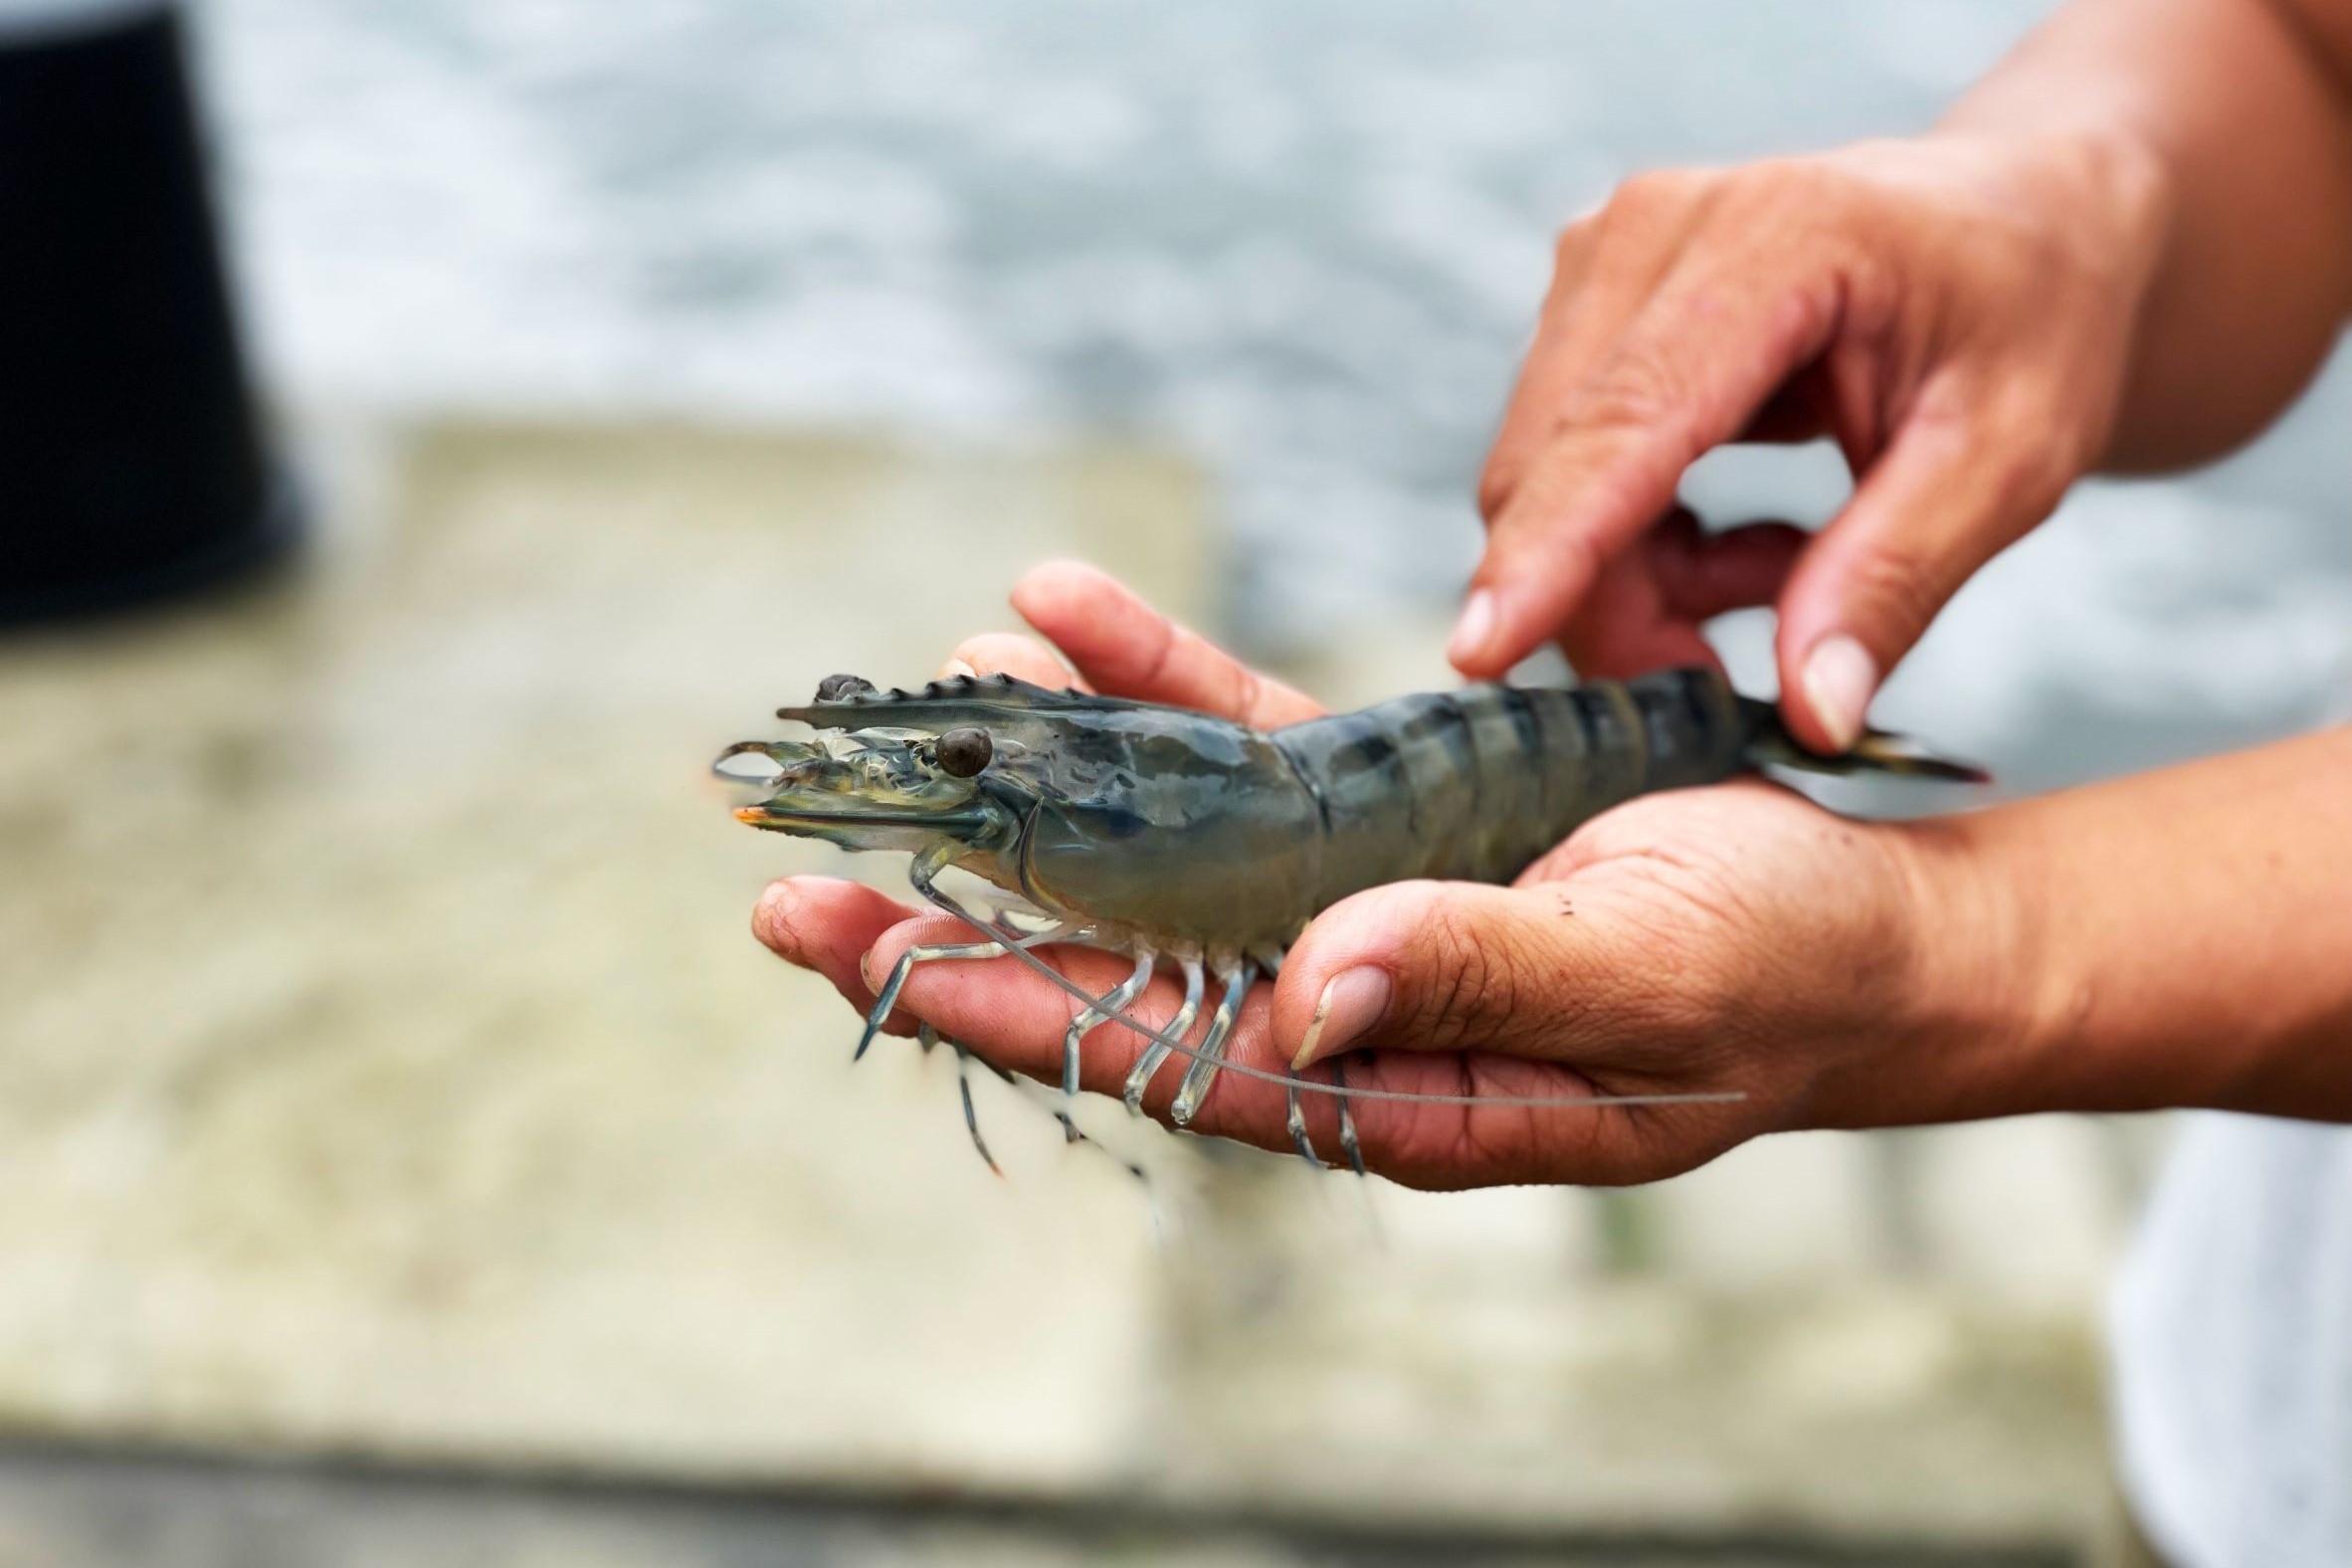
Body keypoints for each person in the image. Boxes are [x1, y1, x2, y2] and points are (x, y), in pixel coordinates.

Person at [753, 2, 2352, 1562]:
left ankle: (1761, 729)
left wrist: (1959, 944)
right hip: (2248, 1404)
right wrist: (2075, 187)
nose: (951, 786)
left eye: (973, 764)